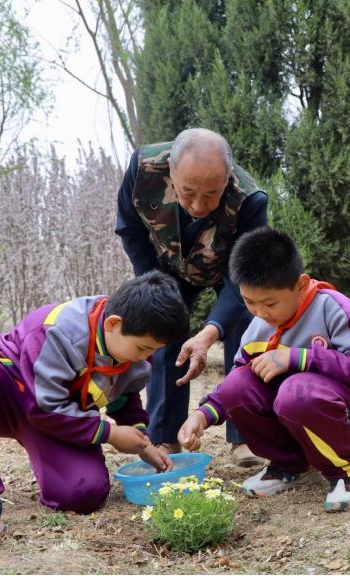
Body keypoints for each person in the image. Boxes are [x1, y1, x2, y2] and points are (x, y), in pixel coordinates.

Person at [0, 271, 189, 558]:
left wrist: (142, 440)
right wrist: (109, 434)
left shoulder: (129, 346)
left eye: (153, 351)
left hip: (55, 416)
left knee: (83, 493)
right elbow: (43, 407)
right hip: (8, 390)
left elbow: (125, 394)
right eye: (143, 348)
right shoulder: (59, 329)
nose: (144, 356)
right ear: (113, 324)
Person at [177, 227, 350, 511]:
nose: (260, 313)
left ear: (301, 285)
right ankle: (289, 466)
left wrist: (299, 358)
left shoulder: (337, 310)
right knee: (237, 386)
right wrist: (201, 416)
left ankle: (348, 473)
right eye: (249, 302)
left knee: (295, 391)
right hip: (299, 413)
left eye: (269, 303)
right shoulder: (258, 328)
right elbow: (238, 382)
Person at [115, 127, 267, 467]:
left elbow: (243, 277)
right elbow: (130, 229)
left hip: (228, 269)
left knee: (245, 331)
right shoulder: (143, 169)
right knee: (165, 333)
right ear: (171, 172)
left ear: (227, 178)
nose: (199, 206)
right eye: (188, 193)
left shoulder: (250, 200)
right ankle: (166, 436)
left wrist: (209, 332)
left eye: (212, 195)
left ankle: (245, 436)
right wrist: (154, 285)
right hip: (166, 266)